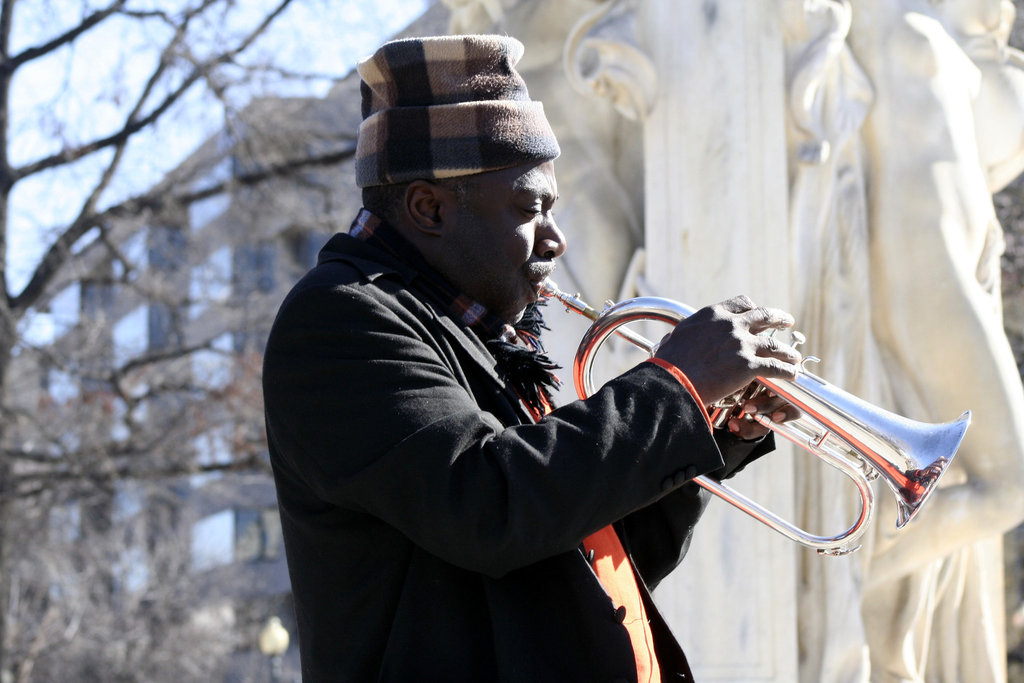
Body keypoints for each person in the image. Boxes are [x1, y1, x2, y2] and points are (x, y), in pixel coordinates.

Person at [262, 34, 802, 682]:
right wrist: (675, 386)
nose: (556, 236)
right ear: (428, 207)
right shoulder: (341, 319)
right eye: (529, 207)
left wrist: (711, 425)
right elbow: (489, 505)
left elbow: (575, 563)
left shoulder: (475, 329)